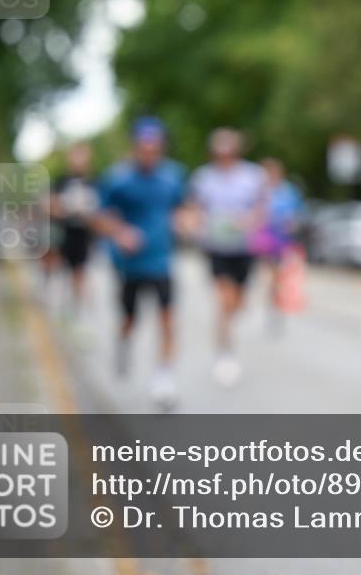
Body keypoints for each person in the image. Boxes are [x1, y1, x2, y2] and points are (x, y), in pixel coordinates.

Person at [95, 116, 187, 408]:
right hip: (130, 264)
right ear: (135, 146)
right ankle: (123, 344)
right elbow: (101, 218)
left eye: (155, 147)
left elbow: (182, 209)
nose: (149, 152)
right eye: (144, 147)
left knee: (167, 317)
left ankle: (164, 376)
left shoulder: (173, 176)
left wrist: (186, 222)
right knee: (130, 320)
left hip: (161, 261)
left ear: (162, 147)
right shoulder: (117, 179)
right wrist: (120, 233)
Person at [186, 128, 266, 386]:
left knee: (238, 303)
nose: (224, 156)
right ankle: (225, 353)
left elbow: (261, 209)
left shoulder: (253, 176)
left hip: (244, 249)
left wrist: (249, 221)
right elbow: (195, 208)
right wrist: (195, 224)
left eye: (228, 151)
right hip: (216, 248)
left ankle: (232, 317)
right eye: (219, 151)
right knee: (224, 300)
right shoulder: (203, 178)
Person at [254, 157, 306, 333]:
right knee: (265, 274)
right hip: (262, 236)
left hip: (281, 238)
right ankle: (269, 302)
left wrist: (292, 224)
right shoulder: (259, 191)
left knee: (276, 276)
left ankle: (274, 305)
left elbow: (297, 213)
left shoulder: (288, 191)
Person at [49, 142, 99, 317]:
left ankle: (76, 309)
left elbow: (101, 210)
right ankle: (59, 306)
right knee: (60, 269)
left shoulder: (94, 182)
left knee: (80, 271)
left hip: (84, 233)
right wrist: (65, 210)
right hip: (64, 231)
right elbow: (52, 206)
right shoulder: (61, 181)